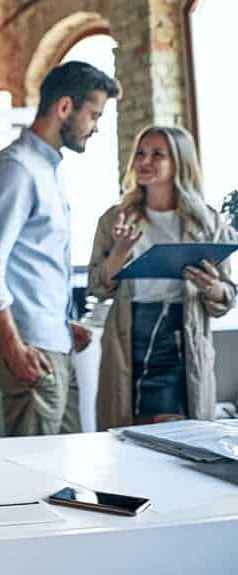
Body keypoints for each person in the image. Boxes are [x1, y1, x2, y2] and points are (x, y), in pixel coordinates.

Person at [0, 61, 120, 437]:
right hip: (30, 347)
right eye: (94, 115)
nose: (96, 127)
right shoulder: (15, 169)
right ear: (65, 107)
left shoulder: (45, 168)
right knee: (37, 467)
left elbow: (33, 266)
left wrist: (61, 326)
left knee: (68, 461)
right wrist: (13, 347)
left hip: (52, 341)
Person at [88, 126, 237, 428]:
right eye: (141, 154)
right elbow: (98, 287)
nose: (145, 161)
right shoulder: (115, 218)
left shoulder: (206, 221)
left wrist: (212, 288)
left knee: (181, 434)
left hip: (182, 338)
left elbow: (228, 294)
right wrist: (119, 251)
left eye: (158, 154)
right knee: (128, 429)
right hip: (130, 337)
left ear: (180, 162)